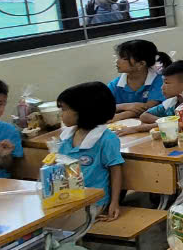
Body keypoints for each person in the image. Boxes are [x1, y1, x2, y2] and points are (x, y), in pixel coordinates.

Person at [55, 82, 125, 220]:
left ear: (82, 111)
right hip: (68, 198)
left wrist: (114, 203)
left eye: (64, 109)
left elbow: (116, 171)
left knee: (62, 222)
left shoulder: (106, 139)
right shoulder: (66, 137)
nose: (60, 115)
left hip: (94, 202)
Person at [108, 39, 169, 120]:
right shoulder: (115, 84)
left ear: (141, 64)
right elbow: (102, 108)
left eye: (124, 58)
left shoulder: (159, 81)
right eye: (118, 57)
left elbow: (148, 107)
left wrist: (119, 116)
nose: (117, 61)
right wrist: (125, 106)